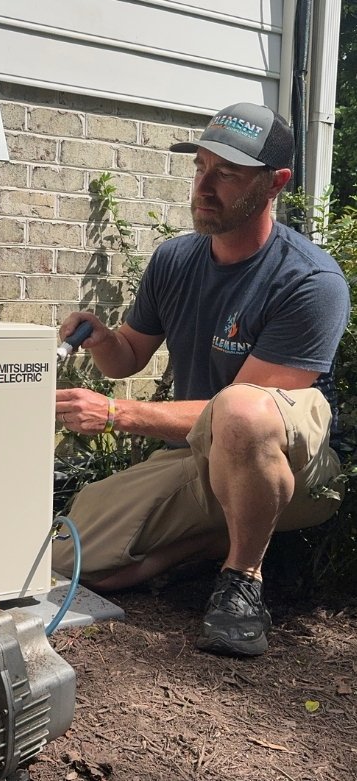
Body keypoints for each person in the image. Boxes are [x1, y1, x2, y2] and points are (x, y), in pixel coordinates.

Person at [53, 102, 350, 657]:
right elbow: (128, 359)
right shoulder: (175, 261)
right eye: (201, 167)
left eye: (228, 173)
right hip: (201, 454)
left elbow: (244, 411)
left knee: (240, 410)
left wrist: (117, 414)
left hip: (297, 466)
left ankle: (243, 578)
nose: (204, 187)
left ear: (275, 183)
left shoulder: (310, 280)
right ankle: (223, 532)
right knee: (74, 559)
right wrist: (102, 339)